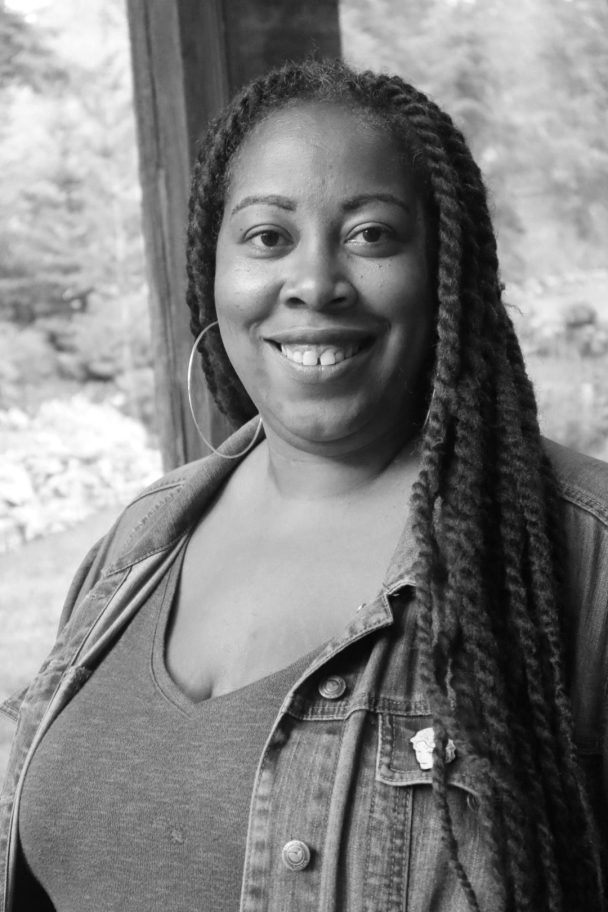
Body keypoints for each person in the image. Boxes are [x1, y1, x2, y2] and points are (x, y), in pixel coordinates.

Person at [0, 58, 606, 912]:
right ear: (212, 266)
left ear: (446, 275)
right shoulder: (137, 544)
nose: (315, 282)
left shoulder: (581, 554)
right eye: (268, 237)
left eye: (371, 235)